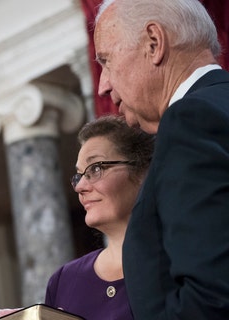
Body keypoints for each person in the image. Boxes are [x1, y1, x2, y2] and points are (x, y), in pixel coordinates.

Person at [94, 0, 229, 318]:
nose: (103, 86)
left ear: (154, 43)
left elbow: (212, 299)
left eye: (107, 61)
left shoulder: (190, 120)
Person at [45, 115, 153, 320]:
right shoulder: (63, 281)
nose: (80, 187)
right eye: (79, 175)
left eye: (96, 168)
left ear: (143, 172)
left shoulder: (179, 261)